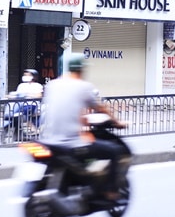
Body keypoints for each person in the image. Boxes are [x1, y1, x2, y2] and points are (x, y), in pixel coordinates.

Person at [41, 53, 125, 199]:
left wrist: (83, 120)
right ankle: (110, 191)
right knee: (114, 151)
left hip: (48, 140)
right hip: (71, 143)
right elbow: (100, 108)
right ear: (81, 69)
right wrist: (117, 122)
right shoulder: (83, 86)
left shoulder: (52, 85)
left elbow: (69, 109)